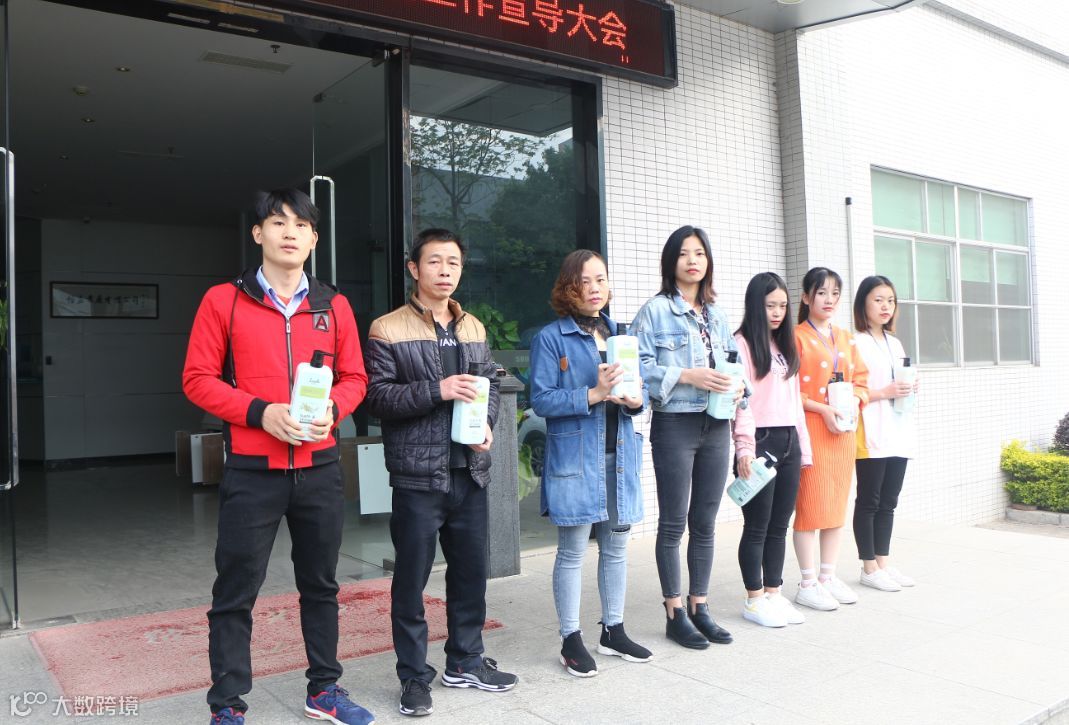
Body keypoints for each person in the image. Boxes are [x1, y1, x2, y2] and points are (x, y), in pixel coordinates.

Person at [183, 189, 374, 725]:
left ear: (314, 239)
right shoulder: (223, 300)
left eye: (301, 225)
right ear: (257, 233)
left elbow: (356, 377)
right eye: (277, 222)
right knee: (235, 590)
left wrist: (334, 408)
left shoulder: (333, 305)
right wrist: (259, 412)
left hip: (320, 470)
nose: (290, 232)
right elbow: (197, 379)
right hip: (253, 471)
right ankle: (227, 705)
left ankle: (324, 690)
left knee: (321, 585)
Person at [365, 228, 517, 718]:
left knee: (470, 576)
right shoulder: (387, 328)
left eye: (453, 262)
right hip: (417, 477)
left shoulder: (473, 327)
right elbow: (376, 399)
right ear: (414, 268)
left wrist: (486, 426)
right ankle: (413, 676)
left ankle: (465, 660)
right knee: (411, 583)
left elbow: (490, 383)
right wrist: (438, 389)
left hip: (469, 472)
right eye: (434, 261)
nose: (445, 270)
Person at [529, 250, 653, 678]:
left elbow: (642, 391)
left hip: (620, 456)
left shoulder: (621, 334)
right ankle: (571, 638)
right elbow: (541, 399)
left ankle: (613, 630)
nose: (595, 288)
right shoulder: (551, 338)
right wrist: (593, 393)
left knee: (616, 548)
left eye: (601, 279)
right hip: (577, 459)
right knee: (572, 552)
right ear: (569, 287)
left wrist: (636, 400)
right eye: (585, 281)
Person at [632, 225, 750, 650]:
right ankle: (674, 612)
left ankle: (700, 606)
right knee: (673, 522)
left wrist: (739, 387)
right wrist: (686, 374)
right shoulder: (654, 311)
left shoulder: (716, 314)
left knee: (705, 521)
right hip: (675, 424)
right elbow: (638, 368)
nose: (693, 260)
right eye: (684, 253)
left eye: (699, 253)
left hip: (716, 425)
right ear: (671, 261)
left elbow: (735, 364)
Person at [732, 272, 812, 628]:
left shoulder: (784, 346)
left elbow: (795, 404)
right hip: (760, 442)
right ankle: (754, 600)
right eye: (770, 306)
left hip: (789, 440)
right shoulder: (742, 344)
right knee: (757, 526)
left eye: (782, 305)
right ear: (755, 305)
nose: (777, 312)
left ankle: (773, 594)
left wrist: (803, 450)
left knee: (780, 525)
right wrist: (744, 448)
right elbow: (741, 403)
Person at [792, 267, 869, 612]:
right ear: (806, 297)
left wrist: (854, 402)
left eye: (835, 293)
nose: (829, 299)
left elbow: (862, 380)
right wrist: (822, 409)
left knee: (837, 505)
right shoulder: (794, 337)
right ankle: (807, 582)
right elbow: (787, 389)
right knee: (810, 505)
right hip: (811, 427)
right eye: (821, 292)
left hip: (843, 430)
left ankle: (827, 576)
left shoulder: (846, 337)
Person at [852, 275, 918, 591]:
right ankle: (868, 567)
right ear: (863, 303)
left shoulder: (895, 343)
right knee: (869, 500)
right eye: (878, 300)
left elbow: (898, 381)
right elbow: (848, 389)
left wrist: (911, 385)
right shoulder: (855, 343)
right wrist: (884, 392)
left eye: (890, 300)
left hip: (898, 430)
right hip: (871, 431)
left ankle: (883, 564)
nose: (885, 306)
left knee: (889, 501)